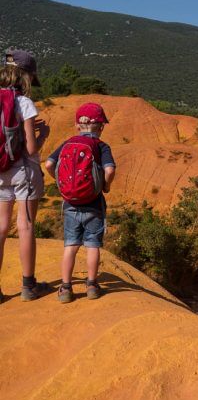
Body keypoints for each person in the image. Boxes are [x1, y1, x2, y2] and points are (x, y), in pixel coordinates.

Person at [45, 103, 115, 303]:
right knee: (92, 245)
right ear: (101, 127)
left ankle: (66, 288)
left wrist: (60, 184)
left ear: (77, 125)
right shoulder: (101, 146)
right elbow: (110, 170)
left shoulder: (67, 143)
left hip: (70, 204)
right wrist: (105, 186)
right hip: (93, 204)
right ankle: (92, 285)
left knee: (71, 245)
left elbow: (49, 164)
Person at [0, 49, 49, 303]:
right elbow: (31, 149)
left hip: (0, 172)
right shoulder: (24, 103)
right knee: (25, 225)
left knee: (0, 227)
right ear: (26, 77)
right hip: (23, 172)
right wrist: (43, 135)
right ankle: (29, 286)